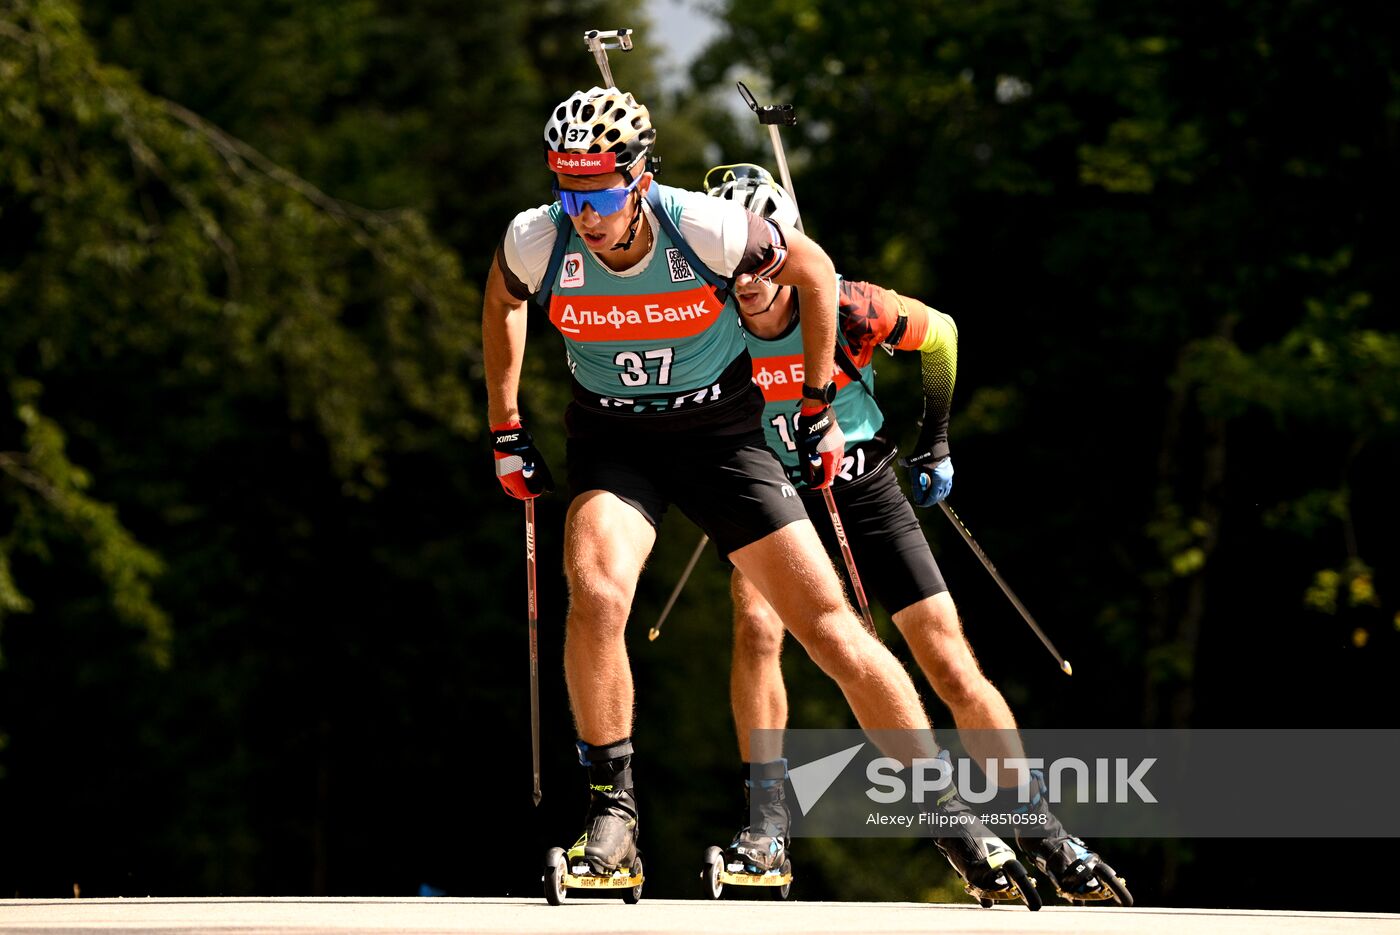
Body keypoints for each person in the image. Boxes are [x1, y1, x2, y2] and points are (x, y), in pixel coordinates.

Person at [483, 88, 1035, 905]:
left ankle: (947, 812)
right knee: (597, 592)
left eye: (598, 193)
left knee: (830, 630)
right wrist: (506, 425)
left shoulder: (699, 225)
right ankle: (614, 817)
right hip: (616, 441)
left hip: (720, 440)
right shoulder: (539, 236)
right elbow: (500, 302)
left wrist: (815, 402)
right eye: (569, 190)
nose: (584, 213)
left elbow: (812, 269)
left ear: (638, 178)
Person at [707, 163, 1131, 905]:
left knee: (947, 655)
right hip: (773, 495)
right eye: (729, 263)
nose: (743, 279)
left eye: (757, 260)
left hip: (864, 480)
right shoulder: (704, 324)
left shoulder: (847, 304)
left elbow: (942, 337)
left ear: (785, 248)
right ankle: (767, 826)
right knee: (755, 626)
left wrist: (936, 441)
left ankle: (1042, 830)